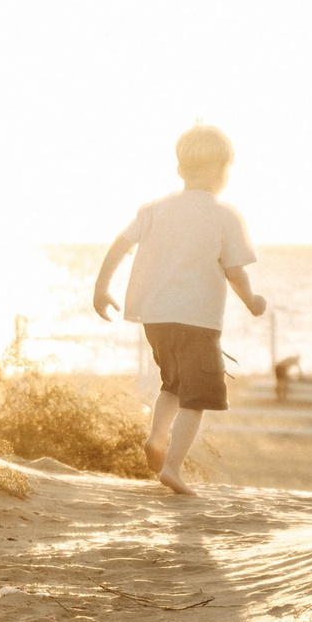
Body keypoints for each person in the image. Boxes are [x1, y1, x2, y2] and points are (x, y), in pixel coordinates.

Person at [90, 124, 266, 496]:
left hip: (155, 319)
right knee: (196, 397)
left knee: (172, 384)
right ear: (224, 172)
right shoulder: (225, 215)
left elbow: (119, 245)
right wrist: (252, 302)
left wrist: (101, 288)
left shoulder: (154, 210)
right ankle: (172, 467)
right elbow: (235, 272)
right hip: (198, 321)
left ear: (180, 169)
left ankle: (157, 436)